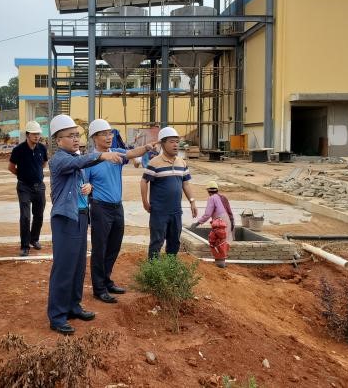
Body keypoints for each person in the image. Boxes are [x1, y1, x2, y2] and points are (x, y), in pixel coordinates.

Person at [47, 114, 124, 335]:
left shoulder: (75, 157)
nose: (75, 139)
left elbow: (79, 179)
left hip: (80, 216)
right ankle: (57, 315)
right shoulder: (59, 159)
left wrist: (88, 188)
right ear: (58, 140)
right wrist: (102, 155)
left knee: (78, 265)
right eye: (70, 136)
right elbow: (78, 163)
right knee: (64, 267)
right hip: (66, 219)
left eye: (76, 135)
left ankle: (73, 305)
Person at [84, 119, 156, 304]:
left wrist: (146, 147)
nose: (109, 137)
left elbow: (131, 153)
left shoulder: (116, 153)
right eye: (104, 134)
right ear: (94, 138)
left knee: (114, 246)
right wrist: (88, 188)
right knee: (100, 249)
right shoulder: (90, 160)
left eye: (110, 133)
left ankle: (106, 280)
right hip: (100, 208)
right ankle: (99, 288)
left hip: (117, 207)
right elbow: (84, 183)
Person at [140, 127, 197, 259]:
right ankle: (153, 268)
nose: (175, 145)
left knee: (174, 241)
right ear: (162, 143)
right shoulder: (154, 163)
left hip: (176, 211)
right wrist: (145, 202)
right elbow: (144, 181)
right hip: (159, 211)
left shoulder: (182, 163)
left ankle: (170, 266)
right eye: (172, 142)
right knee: (157, 241)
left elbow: (186, 184)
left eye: (177, 142)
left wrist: (192, 201)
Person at [8, 121, 48, 257]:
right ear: (27, 134)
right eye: (34, 134)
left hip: (39, 187)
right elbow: (11, 167)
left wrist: (35, 173)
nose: (37, 136)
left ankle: (34, 239)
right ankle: (25, 246)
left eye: (38, 134)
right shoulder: (18, 150)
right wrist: (22, 175)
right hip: (24, 187)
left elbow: (44, 163)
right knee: (25, 216)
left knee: (39, 215)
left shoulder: (42, 148)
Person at [195, 181, 235, 268]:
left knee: (217, 242)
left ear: (208, 191)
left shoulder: (212, 198)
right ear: (217, 190)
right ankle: (221, 263)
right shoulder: (223, 197)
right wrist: (232, 223)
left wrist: (198, 222)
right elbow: (229, 211)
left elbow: (207, 214)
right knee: (224, 242)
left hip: (220, 223)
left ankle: (220, 265)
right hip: (228, 221)